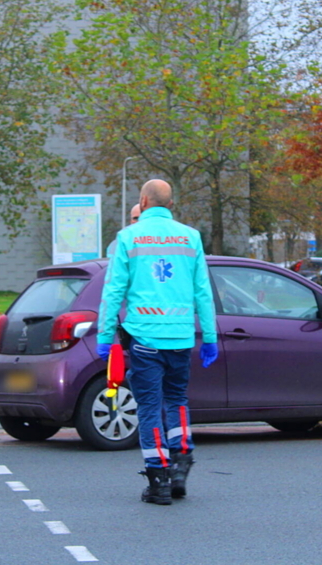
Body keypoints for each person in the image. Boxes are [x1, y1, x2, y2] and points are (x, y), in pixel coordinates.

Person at [97, 179, 218, 505]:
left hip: (145, 338)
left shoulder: (128, 238)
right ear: (171, 203)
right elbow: (203, 292)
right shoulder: (190, 237)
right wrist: (209, 337)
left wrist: (105, 336)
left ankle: (159, 479)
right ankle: (181, 466)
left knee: (150, 407)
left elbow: (113, 292)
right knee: (176, 400)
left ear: (144, 200)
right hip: (180, 337)